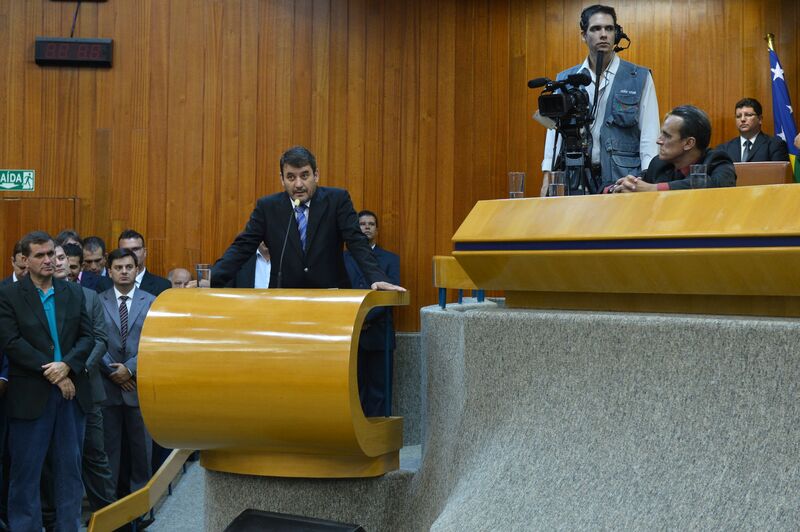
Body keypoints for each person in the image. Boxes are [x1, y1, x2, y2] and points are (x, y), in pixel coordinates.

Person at [209, 146, 404, 292]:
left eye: (304, 175)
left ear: (316, 175)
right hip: (285, 300)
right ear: (282, 179)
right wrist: (209, 280)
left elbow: (357, 242)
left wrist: (376, 276)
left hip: (329, 297)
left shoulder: (337, 200)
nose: (298, 184)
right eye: (291, 177)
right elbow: (242, 247)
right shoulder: (268, 207)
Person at [0, 231, 93, 531]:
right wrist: (53, 371)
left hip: (71, 395)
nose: (48, 260)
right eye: (40, 255)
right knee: (26, 474)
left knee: (69, 473)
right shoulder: (9, 295)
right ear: (24, 260)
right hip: (30, 397)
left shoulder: (73, 292)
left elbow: (87, 337)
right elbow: (11, 342)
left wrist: (66, 366)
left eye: (51, 253)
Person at [541, 4, 659, 195]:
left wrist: (647, 178)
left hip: (623, 178)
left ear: (616, 34)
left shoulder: (639, 77)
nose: (603, 34)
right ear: (584, 35)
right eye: (596, 29)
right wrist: (548, 174)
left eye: (609, 28)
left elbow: (650, 133)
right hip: (576, 176)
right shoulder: (565, 80)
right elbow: (553, 133)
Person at [40, 246, 115, 526]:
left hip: (85, 387)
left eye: (62, 258)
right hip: (48, 386)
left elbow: (99, 339)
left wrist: (74, 369)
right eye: (54, 257)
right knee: (50, 459)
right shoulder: (36, 296)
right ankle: (53, 521)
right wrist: (58, 374)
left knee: (94, 455)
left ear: (73, 265)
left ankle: (108, 520)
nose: (58, 263)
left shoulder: (89, 296)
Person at [99, 249, 155, 502]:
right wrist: (115, 371)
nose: (124, 272)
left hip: (138, 386)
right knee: (108, 451)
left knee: (141, 451)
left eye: (129, 267)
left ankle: (140, 504)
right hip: (107, 386)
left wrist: (129, 369)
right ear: (109, 271)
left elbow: (153, 342)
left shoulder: (151, 301)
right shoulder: (96, 301)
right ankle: (109, 507)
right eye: (118, 267)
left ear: (137, 269)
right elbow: (93, 339)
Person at [344, 211, 400, 417]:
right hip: (350, 334)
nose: (366, 227)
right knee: (352, 388)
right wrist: (355, 320)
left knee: (379, 390)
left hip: (378, 334)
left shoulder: (390, 259)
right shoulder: (341, 259)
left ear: (377, 230)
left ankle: (377, 432)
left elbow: (390, 294)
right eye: (362, 224)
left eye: (371, 224)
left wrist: (365, 318)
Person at [611, 105, 736, 192]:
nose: (658, 141)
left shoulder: (717, 160)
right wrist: (626, 186)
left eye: (667, 136)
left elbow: (715, 186)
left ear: (689, 143)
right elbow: (638, 185)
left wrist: (653, 188)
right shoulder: (658, 164)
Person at [716, 98, 789, 162]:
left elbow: (779, 172)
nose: (742, 119)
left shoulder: (775, 145)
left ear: (760, 119)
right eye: (738, 116)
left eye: (748, 115)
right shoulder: (724, 149)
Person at [118, 229, 171, 297]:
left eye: (135, 249)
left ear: (145, 252)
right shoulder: (107, 284)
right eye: (125, 250)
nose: (131, 254)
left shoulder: (162, 286)